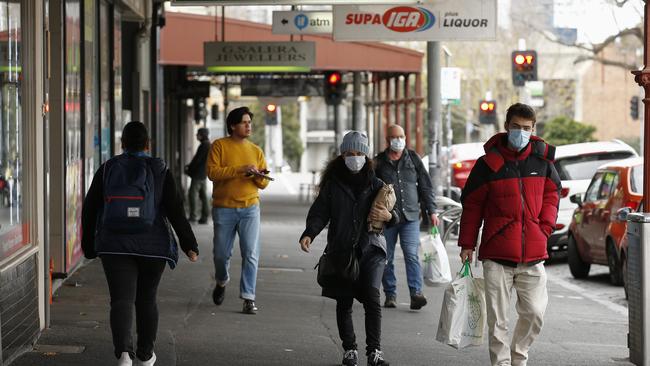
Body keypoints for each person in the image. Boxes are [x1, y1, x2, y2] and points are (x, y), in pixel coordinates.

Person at [81, 121, 199, 366]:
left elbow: (90, 208)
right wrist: (189, 244)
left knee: (121, 299)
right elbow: (175, 209)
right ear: (148, 144)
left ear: (122, 144)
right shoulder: (160, 169)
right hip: (153, 245)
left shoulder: (108, 168)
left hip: (114, 244)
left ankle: (124, 354)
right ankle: (146, 356)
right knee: (147, 299)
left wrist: (88, 244)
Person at [458, 103, 561, 366]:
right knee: (497, 320)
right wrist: (467, 244)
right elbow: (472, 206)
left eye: (527, 128)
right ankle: (502, 364)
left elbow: (552, 194)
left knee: (535, 313)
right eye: (516, 127)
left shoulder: (543, 162)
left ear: (533, 129)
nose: (521, 132)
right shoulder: (487, 164)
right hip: (497, 254)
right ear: (506, 127)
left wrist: (545, 226)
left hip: (534, 254)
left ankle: (519, 356)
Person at [300, 131, 398, 366]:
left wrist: (389, 216)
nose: (354, 158)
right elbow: (320, 212)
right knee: (344, 300)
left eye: (359, 153)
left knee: (372, 298)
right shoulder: (333, 185)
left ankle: (375, 351)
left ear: (366, 156)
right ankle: (349, 349)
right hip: (341, 250)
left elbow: (395, 215)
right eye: (349, 153)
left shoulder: (377, 183)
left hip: (371, 249)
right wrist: (309, 233)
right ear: (342, 155)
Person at [207, 106, 269, 315]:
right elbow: (212, 173)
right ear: (233, 125)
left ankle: (248, 297)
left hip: (250, 208)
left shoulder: (256, 150)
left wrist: (257, 176)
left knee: (251, 253)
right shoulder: (219, 146)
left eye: (250, 122)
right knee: (221, 255)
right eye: (244, 122)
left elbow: (263, 184)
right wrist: (240, 169)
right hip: (224, 208)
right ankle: (222, 281)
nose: (248, 126)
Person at [374, 124, 439, 310]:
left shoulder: (413, 158)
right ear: (387, 140)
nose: (399, 140)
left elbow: (425, 186)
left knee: (411, 255)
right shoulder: (378, 162)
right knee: (386, 257)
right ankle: (390, 294)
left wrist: (432, 211)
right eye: (395, 137)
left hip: (410, 217)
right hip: (387, 219)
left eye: (402, 136)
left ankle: (416, 293)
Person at [185, 127, 211, 224]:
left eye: (198, 134)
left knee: (192, 194)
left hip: (198, 174)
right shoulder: (208, 145)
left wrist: (189, 169)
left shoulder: (204, 145)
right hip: (203, 174)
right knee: (203, 195)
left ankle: (193, 216)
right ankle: (204, 216)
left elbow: (197, 160)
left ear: (202, 135)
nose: (196, 135)